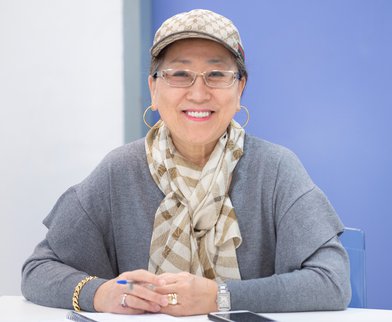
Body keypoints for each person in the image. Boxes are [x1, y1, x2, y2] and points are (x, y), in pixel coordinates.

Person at [21, 9, 351, 316]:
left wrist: (221, 297)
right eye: (179, 74)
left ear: (239, 90)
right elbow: (38, 270)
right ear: (153, 88)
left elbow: (333, 283)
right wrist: (101, 293)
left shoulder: (276, 169)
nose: (198, 92)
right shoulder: (118, 171)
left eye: (216, 74)